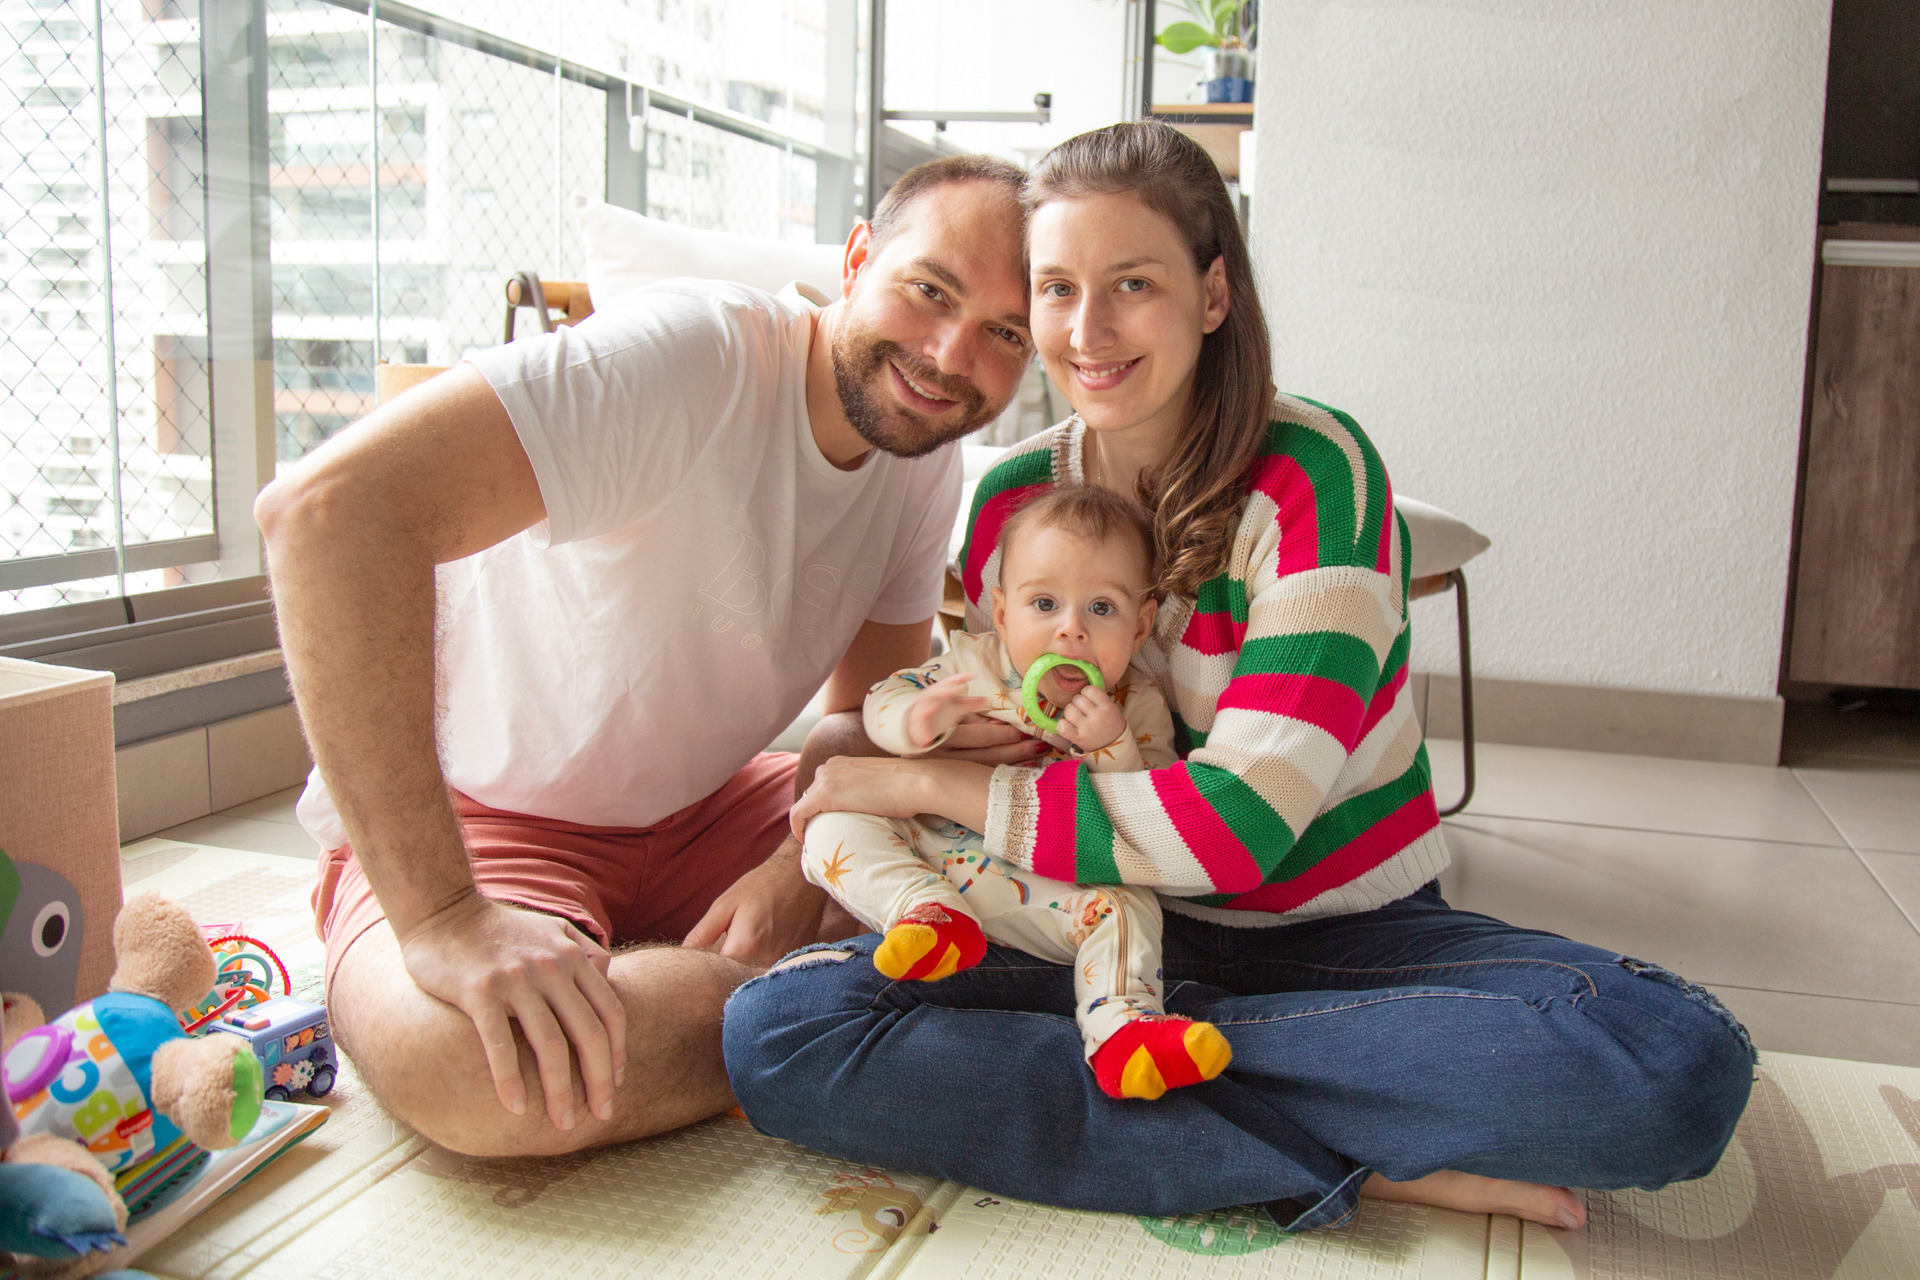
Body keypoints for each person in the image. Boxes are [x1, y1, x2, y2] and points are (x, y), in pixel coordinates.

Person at [724, 122, 1756, 1233]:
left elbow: (1239, 831)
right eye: (1058, 287)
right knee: (781, 1031)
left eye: (1134, 284)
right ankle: (1342, 1140)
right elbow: (964, 703)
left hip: (1336, 934)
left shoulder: (1319, 474)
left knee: (1666, 1066)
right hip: (1081, 921)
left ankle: (1178, 1087)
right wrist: (933, 739)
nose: (1089, 329)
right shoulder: (1012, 498)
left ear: (1214, 294)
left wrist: (924, 789)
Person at [253, 153, 1045, 1158]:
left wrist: (795, 856)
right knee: (475, 1073)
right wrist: (444, 915)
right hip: (488, 813)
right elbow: (323, 514)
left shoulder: (919, 460)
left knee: (1017, 845)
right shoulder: (691, 352)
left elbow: (868, 720)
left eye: (1004, 332)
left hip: (713, 805)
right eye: (930, 289)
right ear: (856, 259)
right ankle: (826, 1006)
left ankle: (787, 997)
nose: (948, 351)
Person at [801, 485, 1234, 1101]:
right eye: (1045, 603)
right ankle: (924, 914)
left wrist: (1111, 747)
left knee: (1128, 901)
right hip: (935, 857)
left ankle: (1124, 1029)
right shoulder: (973, 663)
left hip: (1045, 890)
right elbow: (882, 700)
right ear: (1002, 614)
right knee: (833, 823)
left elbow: (1148, 815)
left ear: (1142, 626)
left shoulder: (1136, 704)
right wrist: (917, 721)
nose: (1071, 631)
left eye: (1102, 609)